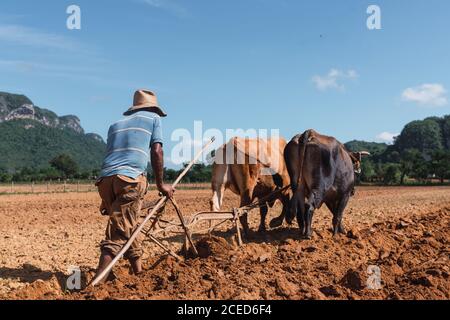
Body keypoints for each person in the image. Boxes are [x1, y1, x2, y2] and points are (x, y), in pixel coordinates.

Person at [93, 89, 175, 281]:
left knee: (130, 222)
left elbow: (111, 155)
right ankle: (95, 284)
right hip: (129, 180)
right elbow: (157, 151)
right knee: (119, 232)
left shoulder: (115, 125)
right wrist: (161, 185)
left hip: (105, 181)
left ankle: (138, 270)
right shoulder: (154, 120)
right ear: (154, 108)